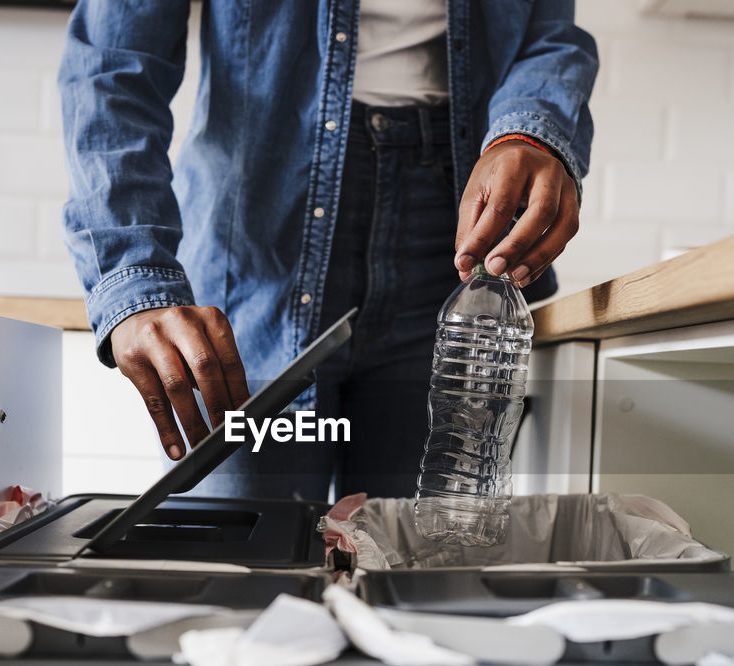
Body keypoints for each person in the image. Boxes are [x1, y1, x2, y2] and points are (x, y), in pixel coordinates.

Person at [59, 0, 598, 501]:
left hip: (457, 247)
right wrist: (132, 274)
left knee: (421, 569)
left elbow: (548, 35)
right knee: (239, 571)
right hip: (255, 249)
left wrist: (533, 134)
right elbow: (114, 61)